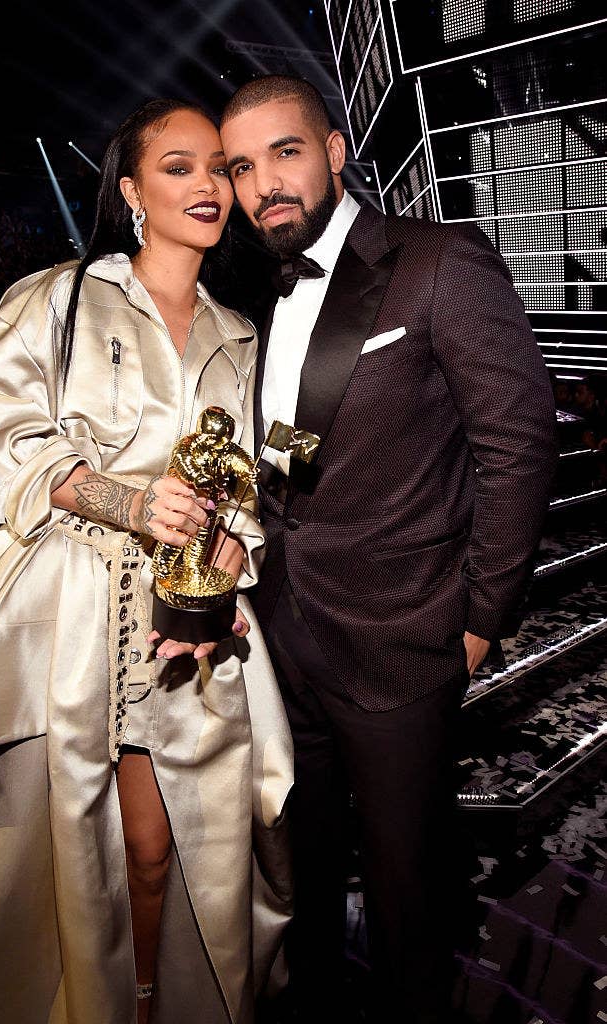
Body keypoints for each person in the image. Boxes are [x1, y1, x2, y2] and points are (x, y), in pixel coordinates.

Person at [0, 98, 293, 1024]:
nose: (208, 185)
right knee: (55, 842)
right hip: (62, 609)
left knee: (168, 851)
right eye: (179, 167)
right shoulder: (58, 298)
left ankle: (141, 1002)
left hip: (185, 612)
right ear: (130, 189)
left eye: (220, 167)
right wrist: (127, 502)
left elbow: (246, 487)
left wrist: (225, 564)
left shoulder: (242, 334)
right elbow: (3, 428)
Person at [220, 75, 558, 1024]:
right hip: (286, 640)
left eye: (284, 153)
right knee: (311, 871)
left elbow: (518, 443)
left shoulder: (439, 261)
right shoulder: (260, 291)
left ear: (332, 150)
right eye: (243, 167)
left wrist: (482, 621)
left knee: (413, 895)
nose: (263, 186)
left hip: (405, 638)